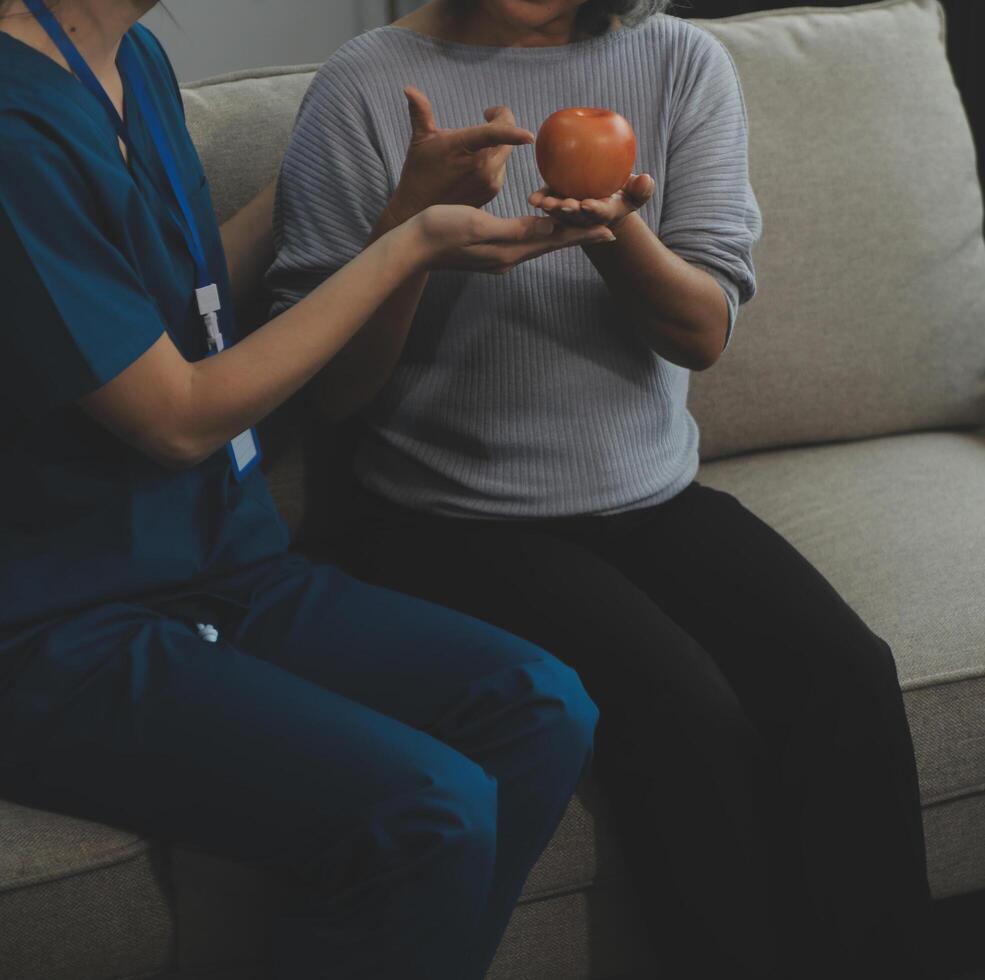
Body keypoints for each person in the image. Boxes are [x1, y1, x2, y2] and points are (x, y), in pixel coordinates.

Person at [266, 1, 940, 978]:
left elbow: (700, 333)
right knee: (685, 710)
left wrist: (614, 233)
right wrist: (406, 230)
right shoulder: (368, 83)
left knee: (845, 671)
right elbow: (332, 392)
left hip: (648, 494)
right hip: (444, 514)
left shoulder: (679, 65)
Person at [0, 2, 614, 978]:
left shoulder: (131, 61)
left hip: (222, 562)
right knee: (431, 805)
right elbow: (179, 414)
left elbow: (190, 285)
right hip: (57, 627)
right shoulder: (12, 125)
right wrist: (405, 250)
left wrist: (378, 193)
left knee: (541, 706)